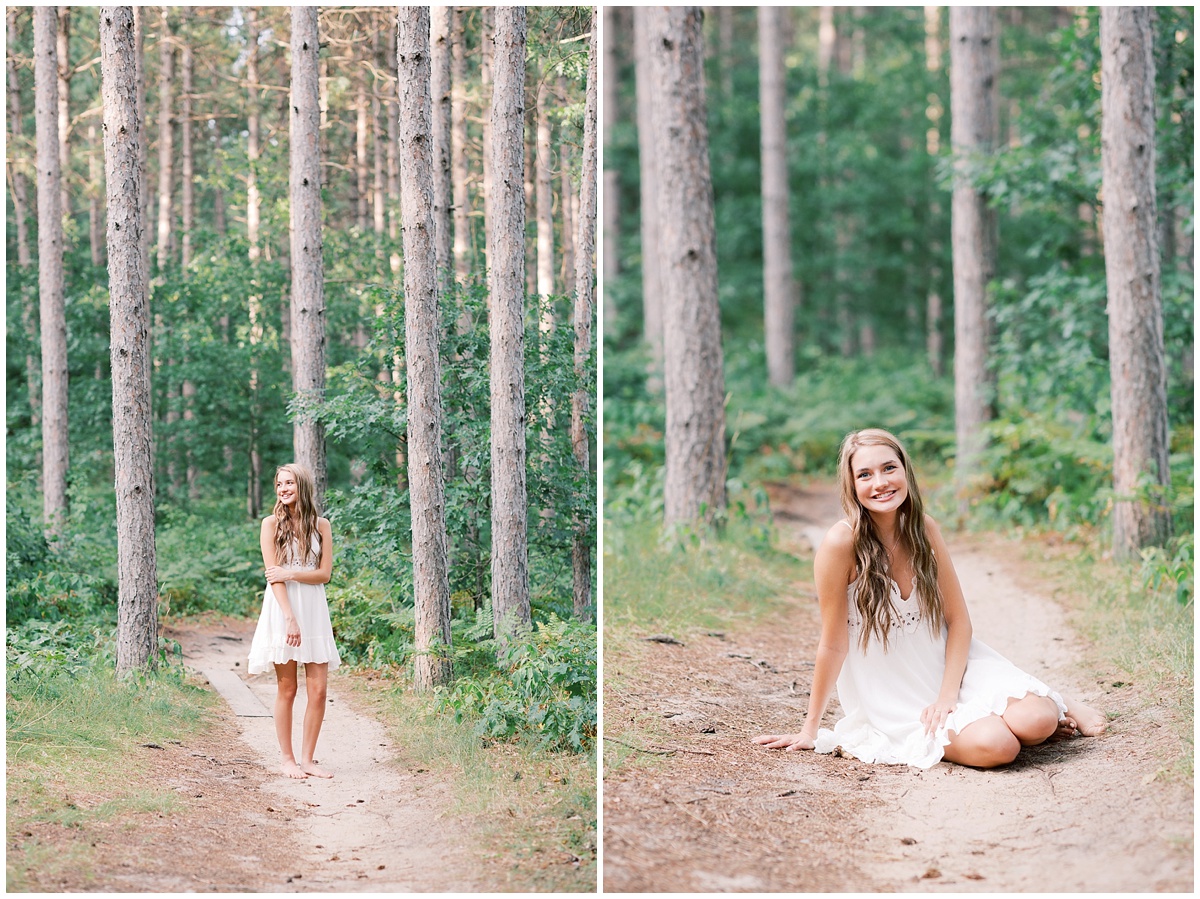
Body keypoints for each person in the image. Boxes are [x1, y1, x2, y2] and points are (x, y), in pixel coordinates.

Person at [753, 428, 1106, 769]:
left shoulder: (924, 528)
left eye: (889, 468)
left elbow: (958, 621)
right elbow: (832, 644)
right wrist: (809, 728)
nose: (881, 483)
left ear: (905, 470)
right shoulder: (841, 544)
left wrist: (947, 697)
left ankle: (1055, 704)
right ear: (852, 486)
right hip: (897, 692)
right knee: (999, 747)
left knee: (1039, 722)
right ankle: (1003, 722)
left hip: (950, 667)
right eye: (865, 474)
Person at [248, 463, 341, 779]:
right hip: (282, 607)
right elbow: (274, 577)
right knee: (287, 687)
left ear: (301, 485)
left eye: (288, 483)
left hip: (314, 609)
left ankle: (308, 760)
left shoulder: (321, 526)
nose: (283, 488)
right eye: (278, 484)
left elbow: (324, 574)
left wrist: (292, 573)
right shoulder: (270, 524)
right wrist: (289, 618)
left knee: (318, 690)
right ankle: (286, 759)